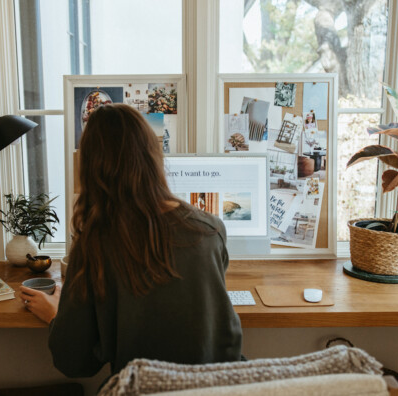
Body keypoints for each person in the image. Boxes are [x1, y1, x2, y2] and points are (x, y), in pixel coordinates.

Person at [20, 103, 242, 379]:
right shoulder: (210, 230)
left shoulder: (94, 245)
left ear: (92, 168)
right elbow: (225, 339)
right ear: (152, 156)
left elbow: (74, 361)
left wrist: (55, 315)